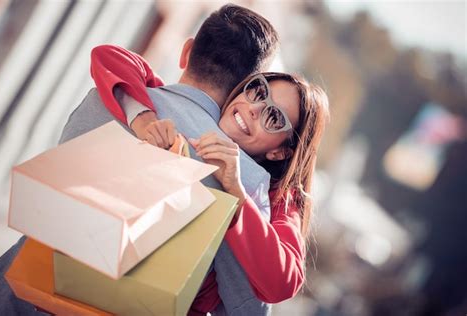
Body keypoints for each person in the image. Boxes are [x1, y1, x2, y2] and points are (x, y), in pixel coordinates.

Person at [0, 4, 279, 316]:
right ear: (249, 87)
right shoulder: (245, 179)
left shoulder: (113, 96)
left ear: (186, 52)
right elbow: (245, 307)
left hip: (16, 292)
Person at [89, 45, 329, 311]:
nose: (255, 109)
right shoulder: (185, 117)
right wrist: (145, 120)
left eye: (274, 116)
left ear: (280, 151)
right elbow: (108, 56)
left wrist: (236, 191)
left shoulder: (278, 197)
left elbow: (283, 282)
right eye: (259, 92)